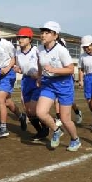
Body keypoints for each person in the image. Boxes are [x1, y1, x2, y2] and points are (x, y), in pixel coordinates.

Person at [35, 21, 81, 151]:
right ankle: (56, 130)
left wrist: (53, 70)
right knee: (40, 113)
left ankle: (75, 139)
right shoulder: (39, 49)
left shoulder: (61, 50)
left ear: (55, 35)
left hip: (64, 84)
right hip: (48, 83)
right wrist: (39, 76)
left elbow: (71, 69)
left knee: (65, 119)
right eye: (42, 32)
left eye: (47, 33)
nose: (43, 35)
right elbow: (39, 63)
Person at [0, 20, 27, 138]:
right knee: (7, 102)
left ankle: (3, 128)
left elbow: (14, 58)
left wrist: (8, 68)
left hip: (8, 73)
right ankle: (20, 116)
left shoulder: (6, 44)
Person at [14, 27, 49, 141]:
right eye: (19, 37)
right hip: (26, 81)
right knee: (28, 111)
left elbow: (44, 64)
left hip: (37, 81)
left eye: (23, 37)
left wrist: (39, 75)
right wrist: (18, 69)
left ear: (30, 39)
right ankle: (40, 132)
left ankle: (47, 127)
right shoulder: (17, 52)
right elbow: (20, 67)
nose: (20, 39)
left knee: (34, 110)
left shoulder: (37, 50)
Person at [78, 35, 92, 132]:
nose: (86, 49)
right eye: (84, 47)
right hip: (88, 79)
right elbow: (81, 69)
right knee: (90, 104)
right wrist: (81, 80)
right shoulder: (82, 56)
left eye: (88, 46)